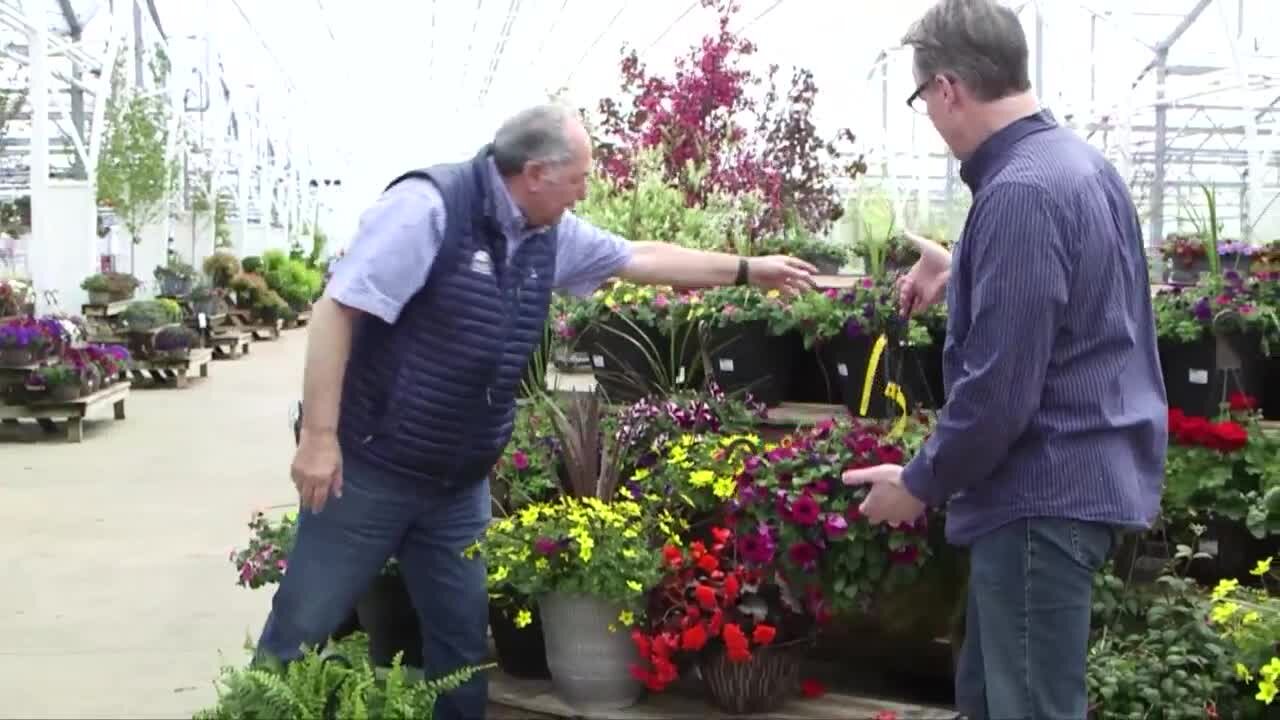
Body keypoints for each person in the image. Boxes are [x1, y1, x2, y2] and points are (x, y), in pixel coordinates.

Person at [258, 102, 817, 720]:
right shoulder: (428, 209)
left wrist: (748, 270)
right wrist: (319, 436)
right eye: (578, 179)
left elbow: (638, 256)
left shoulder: (547, 232)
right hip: (372, 469)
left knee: (461, 648)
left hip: (457, 485)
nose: (584, 192)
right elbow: (337, 308)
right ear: (534, 174)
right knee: (301, 628)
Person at [840, 1, 1167, 718]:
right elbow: (1071, 313)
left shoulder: (1019, 192)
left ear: (948, 88)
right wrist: (960, 268)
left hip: (1037, 502)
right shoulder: (1079, 167)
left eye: (923, 97)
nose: (930, 115)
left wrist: (918, 484)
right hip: (1061, 495)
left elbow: (999, 392)